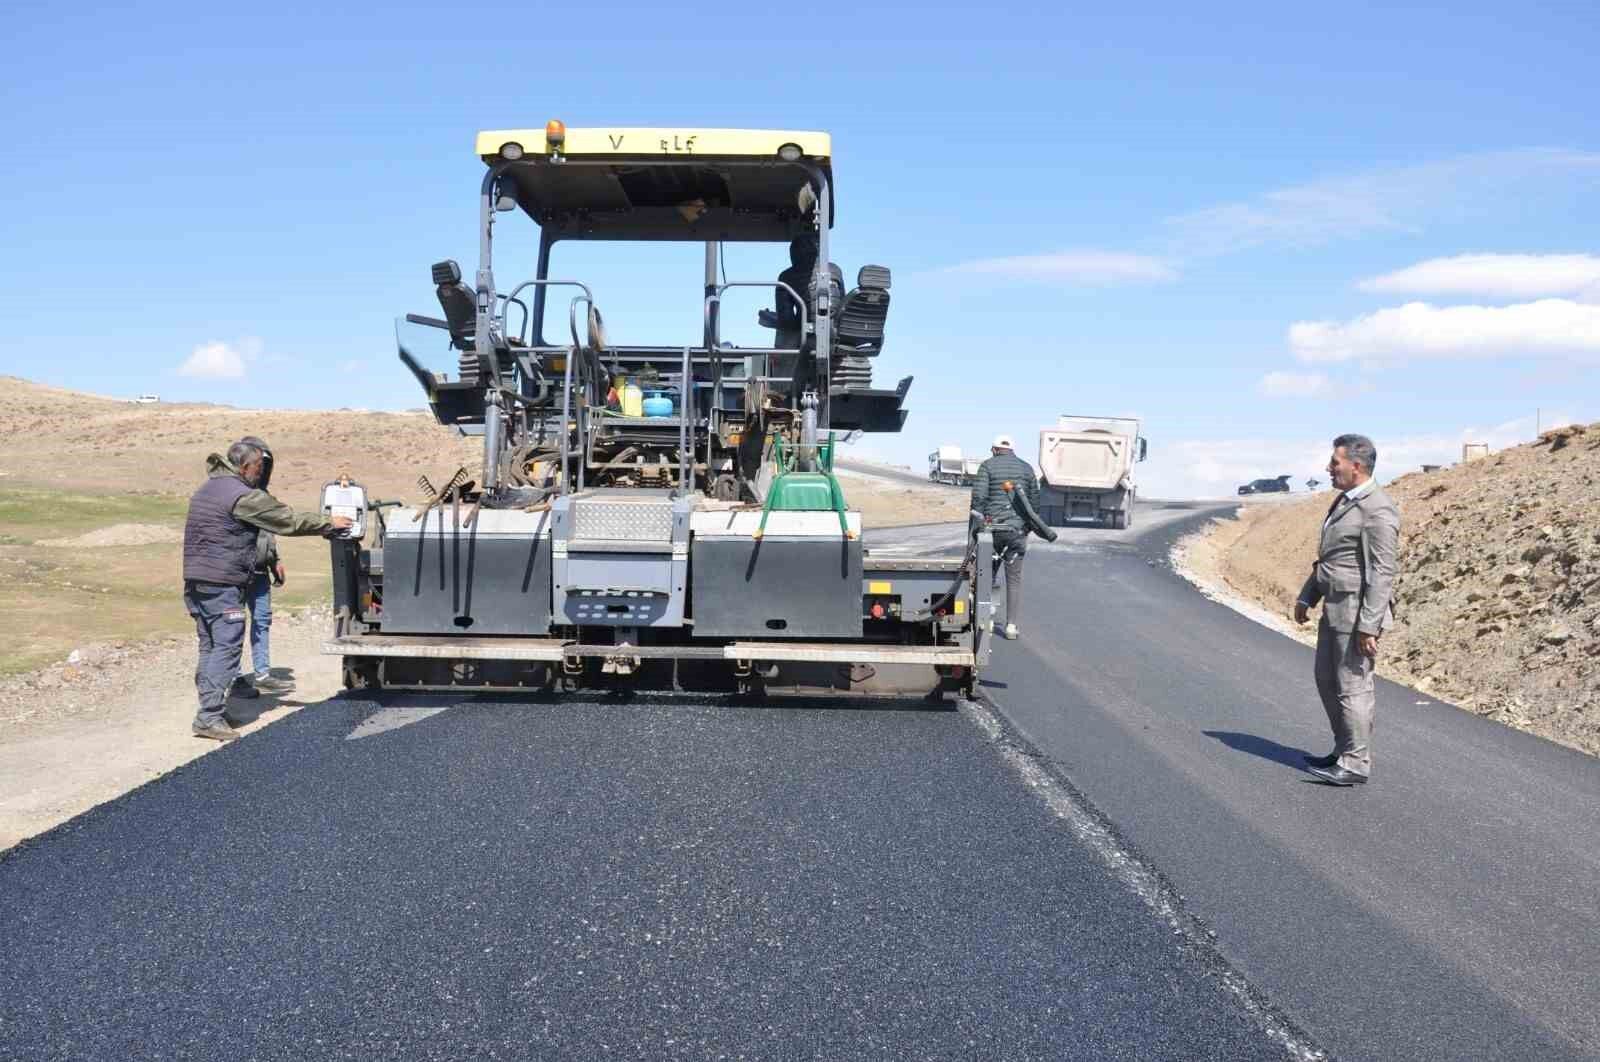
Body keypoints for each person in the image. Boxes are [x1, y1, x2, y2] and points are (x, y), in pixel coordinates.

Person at [182, 438, 352, 741]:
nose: (261, 473)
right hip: (223, 584)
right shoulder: (242, 495)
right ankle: (207, 717)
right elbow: (285, 519)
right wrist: (330, 523)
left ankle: (214, 709)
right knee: (226, 647)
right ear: (246, 466)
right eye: (259, 467)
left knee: (209, 646)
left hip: (197, 583)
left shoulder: (208, 488)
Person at [1294, 433, 1401, 786]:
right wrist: (1307, 595)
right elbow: (1331, 559)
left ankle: (1355, 763)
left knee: (1352, 685)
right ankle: (1343, 750)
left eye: (1335, 463)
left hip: (1357, 615)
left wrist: (1369, 625)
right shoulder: (1345, 501)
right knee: (1327, 680)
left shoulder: (1378, 508)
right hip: (1336, 609)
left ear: (1356, 466)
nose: (1329, 468)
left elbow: (1383, 572)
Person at [971, 434, 1039, 640]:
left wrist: (978, 525)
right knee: (1014, 579)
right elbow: (1034, 503)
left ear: (993, 449)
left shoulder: (987, 466)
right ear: (1012, 450)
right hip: (1016, 532)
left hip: (991, 532)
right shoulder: (1027, 469)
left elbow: (979, 498)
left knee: (987, 576)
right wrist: (1026, 527)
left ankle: (987, 621)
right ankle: (1010, 626)